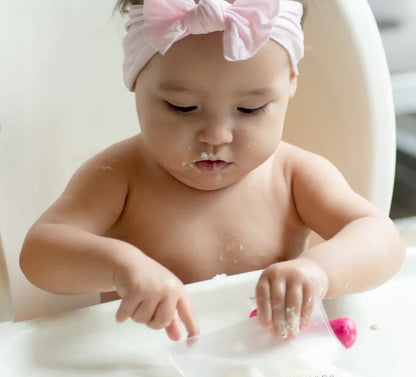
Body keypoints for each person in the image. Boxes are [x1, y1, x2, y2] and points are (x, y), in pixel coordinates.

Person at [19, 0, 404, 342]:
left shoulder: (293, 175)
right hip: (144, 366)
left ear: (289, 85)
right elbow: (41, 254)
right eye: (182, 107)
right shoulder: (120, 176)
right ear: (136, 81)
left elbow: (382, 239)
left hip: (265, 364)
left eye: (250, 109)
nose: (216, 136)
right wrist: (121, 267)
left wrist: (318, 272)